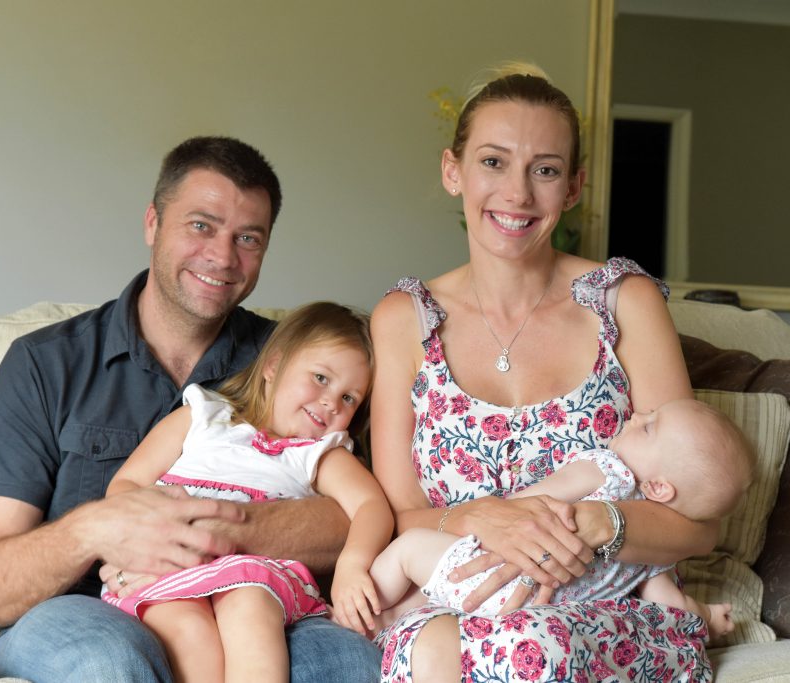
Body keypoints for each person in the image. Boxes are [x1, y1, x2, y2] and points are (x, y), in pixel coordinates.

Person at [0, 136, 382, 682]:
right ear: (153, 223)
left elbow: (361, 516)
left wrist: (220, 530)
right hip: (87, 606)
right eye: (201, 225)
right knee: (108, 664)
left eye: (247, 238)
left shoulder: (297, 365)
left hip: (253, 594)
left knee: (349, 664)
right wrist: (98, 530)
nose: (223, 257)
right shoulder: (46, 364)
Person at [370, 63, 720, 682]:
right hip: (462, 602)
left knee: (535, 649)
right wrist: (480, 516)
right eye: (493, 162)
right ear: (453, 171)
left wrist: (596, 524)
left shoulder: (623, 301)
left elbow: (700, 521)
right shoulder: (405, 319)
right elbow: (400, 514)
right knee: (435, 650)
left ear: (574, 187)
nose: (519, 195)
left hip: (601, 609)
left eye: (546, 170)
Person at [100, 301, 393, 682]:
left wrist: (353, 564)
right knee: (188, 630)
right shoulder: (203, 416)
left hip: (252, 573)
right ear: (273, 365)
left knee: (251, 611)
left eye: (349, 398)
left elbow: (373, 505)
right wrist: (147, 529)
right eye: (321, 378)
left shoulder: (320, 453)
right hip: (167, 562)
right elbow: (126, 483)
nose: (330, 402)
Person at [368, 397, 753, 641]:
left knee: (407, 551)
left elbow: (530, 502)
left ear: (658, 487)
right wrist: (708, 617)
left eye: (649, 425)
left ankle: (364, 608)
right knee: (432, 598)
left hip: (497, 568)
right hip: (533, 617)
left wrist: (495, 515)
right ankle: (383, 623)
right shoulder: (655, 555)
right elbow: (673, 610)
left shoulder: (607, 469)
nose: (635, 415)